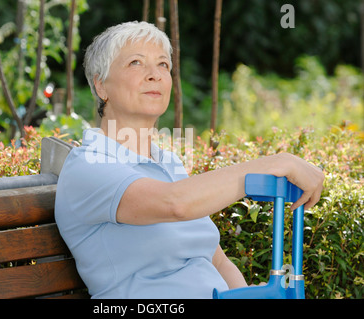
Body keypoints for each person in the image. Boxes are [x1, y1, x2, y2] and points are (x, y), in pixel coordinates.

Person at [54, 21, 324, 299]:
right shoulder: (89, 165)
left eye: (163, 65)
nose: (154, 75)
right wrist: (275, 163)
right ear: (101, 85)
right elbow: (175, 203)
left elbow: (217, 261)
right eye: (136, 63)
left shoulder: (167, 163)